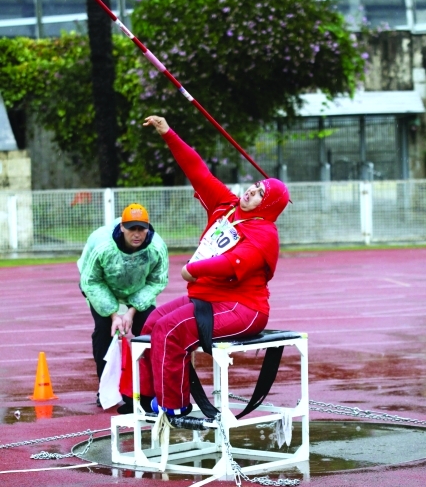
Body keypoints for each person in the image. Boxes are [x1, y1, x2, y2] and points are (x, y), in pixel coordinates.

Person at [136, 115, 291, 419]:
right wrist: (168, 133)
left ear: (269, 204)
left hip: (242, 308)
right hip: (207, 298)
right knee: (151, 325)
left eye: (260, 193)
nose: (251, 191)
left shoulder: (265, 233)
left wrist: (196, 270)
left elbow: (235, 262)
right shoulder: (225, 204)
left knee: (170, 331)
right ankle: (149, 397)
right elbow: (197, 170)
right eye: (254, 186)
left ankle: (174, 405)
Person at [77, 203, 169, 407]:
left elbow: (157, 280)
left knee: (153, 328)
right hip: (102, 286)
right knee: (104, 332)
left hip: (138, 288)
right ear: (122, 228)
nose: (137, 234)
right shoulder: (101, 244)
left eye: (141, 229)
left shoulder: (157, 248)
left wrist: (130, 312)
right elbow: (91, 281)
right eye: (131, 229)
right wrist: (113, 315)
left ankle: (151, 389)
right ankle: (105, 390)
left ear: (147, 228)